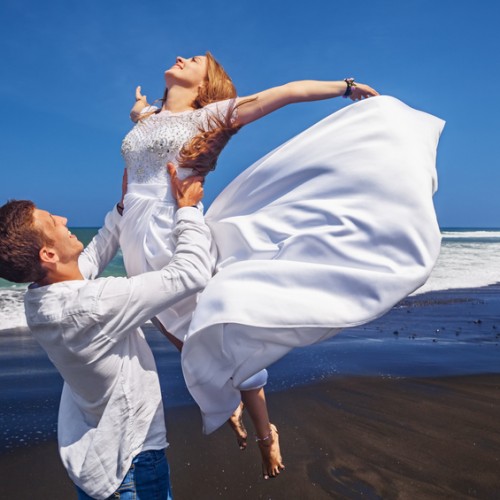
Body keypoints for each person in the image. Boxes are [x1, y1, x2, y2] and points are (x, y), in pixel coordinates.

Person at [121, 51, 379, 478]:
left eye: (195, 60)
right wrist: (138, 114)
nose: (182, 58)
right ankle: (228, 398)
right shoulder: (147, 117)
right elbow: (134, 162)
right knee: (174, 331)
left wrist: (345, 87)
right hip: (133, 227)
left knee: (219, 329)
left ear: (206, 85)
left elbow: (287, 93)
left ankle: (265, 430)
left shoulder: (213, 116)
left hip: (174, 226)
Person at [0, 166, 210, 499]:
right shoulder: (94, 304)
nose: (64, 219)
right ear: (48, 254)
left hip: (96, 467)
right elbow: (190, 274)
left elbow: (92, 258)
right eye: (53, 222)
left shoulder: (39, 301)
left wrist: (122, 209)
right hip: (133, 466)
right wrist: (187, 210)